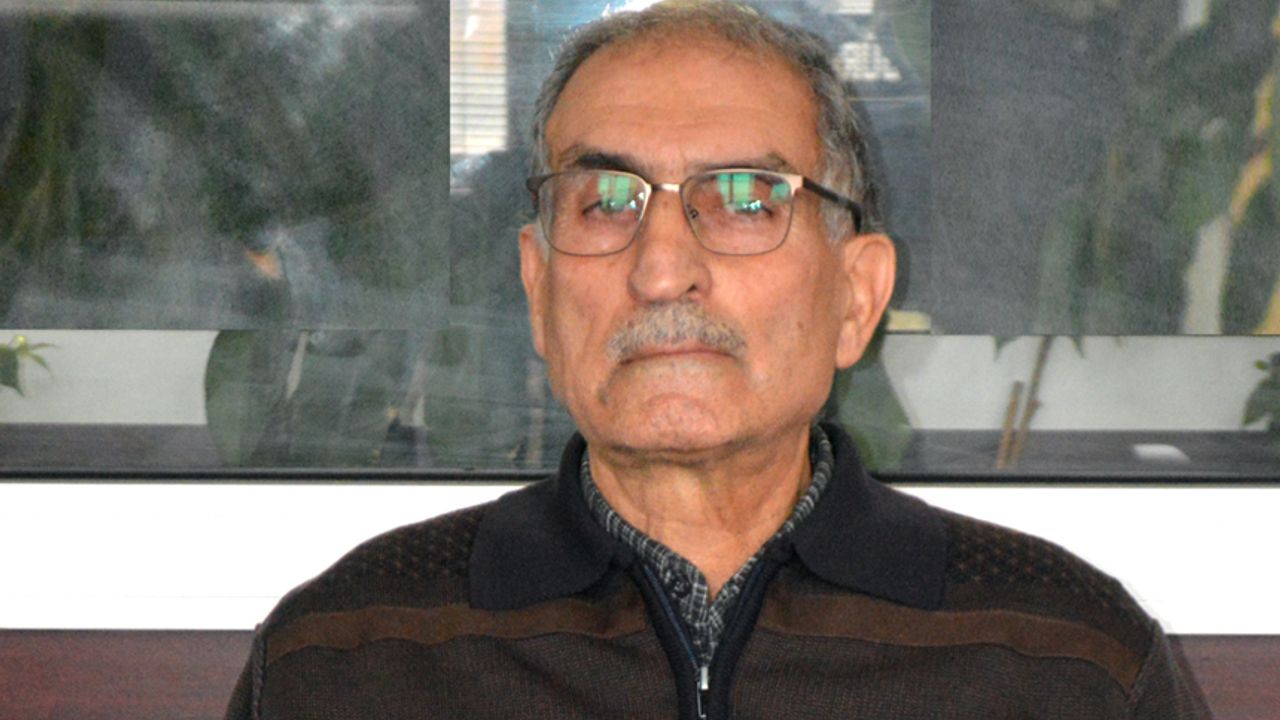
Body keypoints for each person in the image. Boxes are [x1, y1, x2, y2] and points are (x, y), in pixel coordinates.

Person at [225, 2, 1207, 717]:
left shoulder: (1067, 663)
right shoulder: (348, 660)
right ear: (537, 285)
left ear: (855, 297)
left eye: (743, 198)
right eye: (604, 202)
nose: (661, 270)